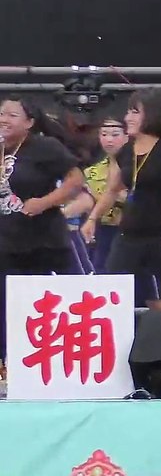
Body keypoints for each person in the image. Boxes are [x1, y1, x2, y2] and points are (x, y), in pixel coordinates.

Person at [82, 90, 161, 309]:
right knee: (111, 290)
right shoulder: (126, 151)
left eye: (135, 111)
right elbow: (112, 190)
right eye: (128, 111)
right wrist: (92, 218)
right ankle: (115, 339)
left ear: (153, 115)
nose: (128, 117)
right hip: (128, 235)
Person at [0, 96, 86, 374]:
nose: (4, 119)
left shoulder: (43, 147)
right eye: (1, 113)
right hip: (5, 242)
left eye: (12, 115)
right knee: (5, 307)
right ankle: (8, 365)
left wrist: (45, 202)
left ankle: (53, 363)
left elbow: (76, 180)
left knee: (42, 305)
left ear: (29, 122)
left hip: (42, 242)